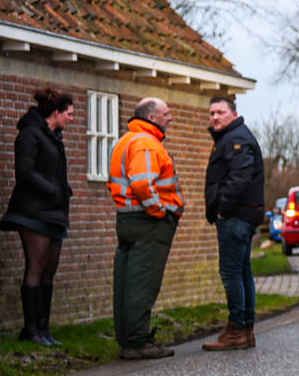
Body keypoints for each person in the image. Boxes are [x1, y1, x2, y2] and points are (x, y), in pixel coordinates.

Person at [108, 97, 183, 360]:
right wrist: (159, 211)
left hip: (127, 219)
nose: (170, 118)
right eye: (166, 113)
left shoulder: (125, 141)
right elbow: (142, 184)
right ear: (152, 117)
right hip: (148, 222)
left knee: (127, 283)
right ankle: (137, 342)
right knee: (143, 283)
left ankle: (128, 338)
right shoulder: (147, 144)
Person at [0, 87, 75, 345]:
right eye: (70, 114)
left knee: (49, 270)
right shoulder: (30, 135)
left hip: (54, 212)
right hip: (32, 211)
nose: (72, 119)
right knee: (36, 267)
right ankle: (30, 329)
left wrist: (64, 190)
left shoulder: (54, 137)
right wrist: (53, 189)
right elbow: (25, 172)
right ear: (56, 112)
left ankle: (44, 328)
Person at [201, 94, 265, 352]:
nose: (215, 117)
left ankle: (237, 328)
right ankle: (245, 329)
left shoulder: (236, 138)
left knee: (230, 272)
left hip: (236, 216)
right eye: (212, 113)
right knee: (242, 270)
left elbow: (240, 177)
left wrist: (223, 209)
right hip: (242, 214)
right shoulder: (233, 136)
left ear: (233, 114)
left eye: (220, 112)